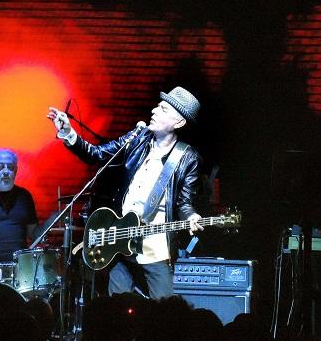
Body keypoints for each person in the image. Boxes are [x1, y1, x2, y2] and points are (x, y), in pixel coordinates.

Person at [47, 86, 204, 299]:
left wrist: (191, 216)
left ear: (179, 122)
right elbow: (97, 155)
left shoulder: (187, 157)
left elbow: (184, 202)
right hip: (121, 242)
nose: (155, 110)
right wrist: (68, 132)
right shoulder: (138, 138)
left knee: (164, 312)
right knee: (117, 310)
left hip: (154, 248)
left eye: (164, 109)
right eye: (158, 105)